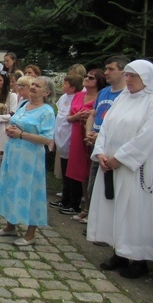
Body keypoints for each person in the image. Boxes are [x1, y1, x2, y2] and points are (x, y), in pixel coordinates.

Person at [87, 60, 153, 278]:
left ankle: (138, 258)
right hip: (110, 163)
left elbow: (148, 135)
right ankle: (118, 251)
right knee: (113, 207)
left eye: (132, 76)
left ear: (146, 78)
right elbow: (105, 127)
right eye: (126, 75)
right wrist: (101, 153)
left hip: (134, 169)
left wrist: (121, 158)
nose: (128, 80)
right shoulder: (122, 99)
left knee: (134, 211)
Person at [0, 76, 56, 246]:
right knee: (12, 187)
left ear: (47, 92)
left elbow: (47, 138)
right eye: (32, 84)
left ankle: (30, 233)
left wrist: (21, 134)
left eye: (37, 85)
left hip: (31, 157)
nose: (33, 87)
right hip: (14, 153)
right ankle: (10, 225)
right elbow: (15, 122)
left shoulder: (47, 111)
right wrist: (11, 130)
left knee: (30, 190)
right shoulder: (23, 104)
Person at [82, 56, 127, 215]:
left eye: (111, 69)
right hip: (97, 147)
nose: (106, 72)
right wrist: (89, 131)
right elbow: (93, 115)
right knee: (93, 186)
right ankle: (93, 219)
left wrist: (100, 136)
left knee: (111, 190)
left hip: (115, 150)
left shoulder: (126, 95)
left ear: (123, 72)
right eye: (106, 68)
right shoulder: (104, 92)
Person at [62, 70, 107, 216]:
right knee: (79, 170)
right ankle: (84, 207)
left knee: (90, 171)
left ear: (98, 82)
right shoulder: (78, 95)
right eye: (86, 76)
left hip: (91, 134)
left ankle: (90, 209)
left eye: (91, 78)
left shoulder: (101, 96)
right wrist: (76, 116)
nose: (86, 79)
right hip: (77, 134)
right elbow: (68, 118)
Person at [50, 74, 84, 210]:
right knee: (65, 172)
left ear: (73, 87)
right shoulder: (63, 97)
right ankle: (64, 199)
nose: (63, 86)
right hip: (61, 138)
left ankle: (73, 201)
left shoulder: (78, 97)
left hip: (71, 138)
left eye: (65, 84)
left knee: (72, 173)